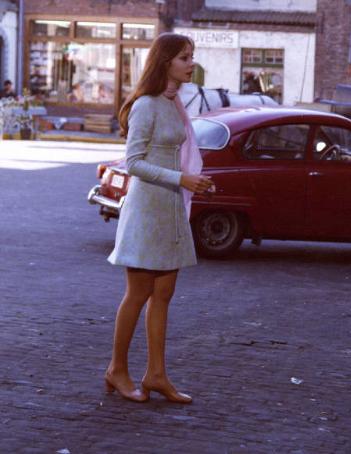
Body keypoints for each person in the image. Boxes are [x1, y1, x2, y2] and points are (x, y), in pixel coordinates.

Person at [105, 33, 214, 403]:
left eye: (192, 56)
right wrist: (181, 179)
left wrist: (193, 183)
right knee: (137, 294)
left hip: (170, 208)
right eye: (185, 57)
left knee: (164, 294)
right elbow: (133, 163)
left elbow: (177, 159)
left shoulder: (174, 104)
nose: (191, 63)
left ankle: (156, 374)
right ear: (165, 61)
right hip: (147, 210)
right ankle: (117, 369)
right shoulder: (146, 105)